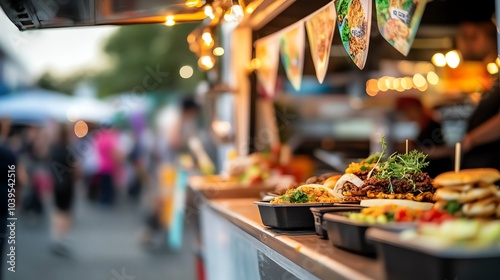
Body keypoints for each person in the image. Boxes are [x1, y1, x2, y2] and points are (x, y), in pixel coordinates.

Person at [456, 20, 500, 170]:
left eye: (473, 36)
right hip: (478, 164)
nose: (464, 43)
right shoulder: (490, 72)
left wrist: (472, 139)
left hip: (490, 165)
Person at [396, 97, 453, 178]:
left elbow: (445, 150)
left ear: (418, 108)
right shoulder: (414, 126)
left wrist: (415, 151)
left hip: (436, 170)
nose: (406, 114)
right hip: (422, 172)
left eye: (408, 110)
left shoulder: (433, 125)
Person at [49, 124, 79, 256]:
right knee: (65, 211)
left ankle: (56, 236)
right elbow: (76, 169)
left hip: (56, 184)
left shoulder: (54, 148)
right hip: (67, 185)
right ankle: (63, 236)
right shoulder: (69, 150)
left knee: (57, 210)